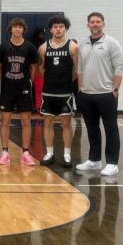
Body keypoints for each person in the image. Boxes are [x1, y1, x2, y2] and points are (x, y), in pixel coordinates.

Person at [76, 12, 123, 176]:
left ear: (103, 24)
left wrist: (115, 90)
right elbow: (80, 69)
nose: (95, 24)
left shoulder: (111, 43)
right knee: (92, 128)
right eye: (92, 22)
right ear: (88, 25)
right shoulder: (83, 44)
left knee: (111, 129)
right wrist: (80, 90)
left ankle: (112, 163)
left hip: (106, 94)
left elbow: (119, 68)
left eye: (98, 22)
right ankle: (94, 160)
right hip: (86, 94)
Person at [0, 18, 38, 165]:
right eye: (15, 27)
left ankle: (26, 153)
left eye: (20, 27)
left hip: (24, 89)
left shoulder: (30, 47)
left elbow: (34, 68)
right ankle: (5, 152)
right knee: (5, 121)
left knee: (26, 121)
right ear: (10, 29)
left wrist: (28, 81)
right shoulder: (3, 47)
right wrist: (6, 80)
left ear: (23, 29)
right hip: (8, 89)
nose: (17, 29)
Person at [38, 16, 78, 169]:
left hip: (65, 92)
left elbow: (76, 70)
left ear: (65, 29)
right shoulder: (43, 48)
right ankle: (49, 153)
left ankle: (67, 155)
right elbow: (41, 70)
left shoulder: (73, 47)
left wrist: (64, 81)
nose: (58, 29)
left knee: (66, 123)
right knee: (47, 122)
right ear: (51, 29)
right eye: (55, 27)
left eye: (61, 26)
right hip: (48, 92)